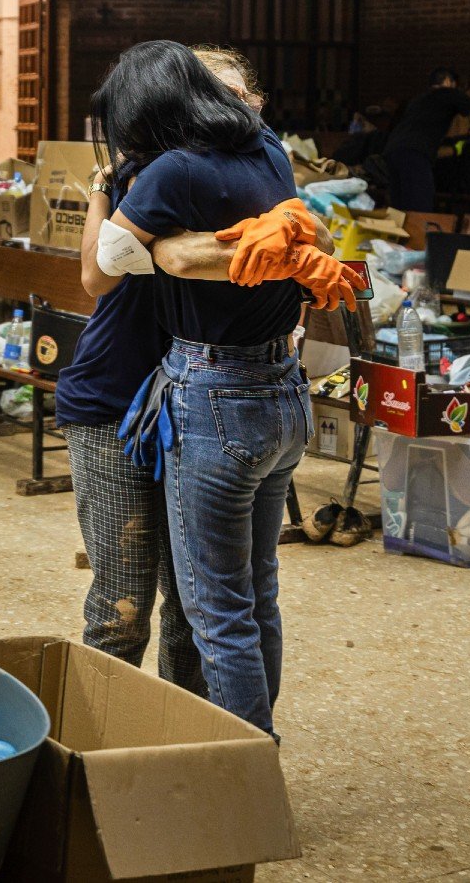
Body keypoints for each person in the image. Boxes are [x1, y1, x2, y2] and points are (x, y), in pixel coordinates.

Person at [82, 40, 363, 736]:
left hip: (213, 396)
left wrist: (174, 247)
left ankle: (241, 770)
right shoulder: (269, 151)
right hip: (281, 392)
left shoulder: (171, 169)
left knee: (215, 608)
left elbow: (107, 261)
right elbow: (307, 236)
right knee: (257, 590)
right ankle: (246, 747)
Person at [61, 45, 302, 697]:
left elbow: (294, 254)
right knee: (123, 606)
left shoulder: (256, 161)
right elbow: (95, 276)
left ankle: (186, 748)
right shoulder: (148, 174)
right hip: (115, 399)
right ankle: (98, 759)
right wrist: (115, 197)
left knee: (196, 611)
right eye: (211, 92)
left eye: (238, 95)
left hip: (197, 403)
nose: (228, 107)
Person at [381, 67, 470, 215]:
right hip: (415, 154)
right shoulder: (452, 94)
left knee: (400, 209)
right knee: (421, 208)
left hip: (391, 152)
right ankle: (423, 237)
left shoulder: (418, 100)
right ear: (448, 81)